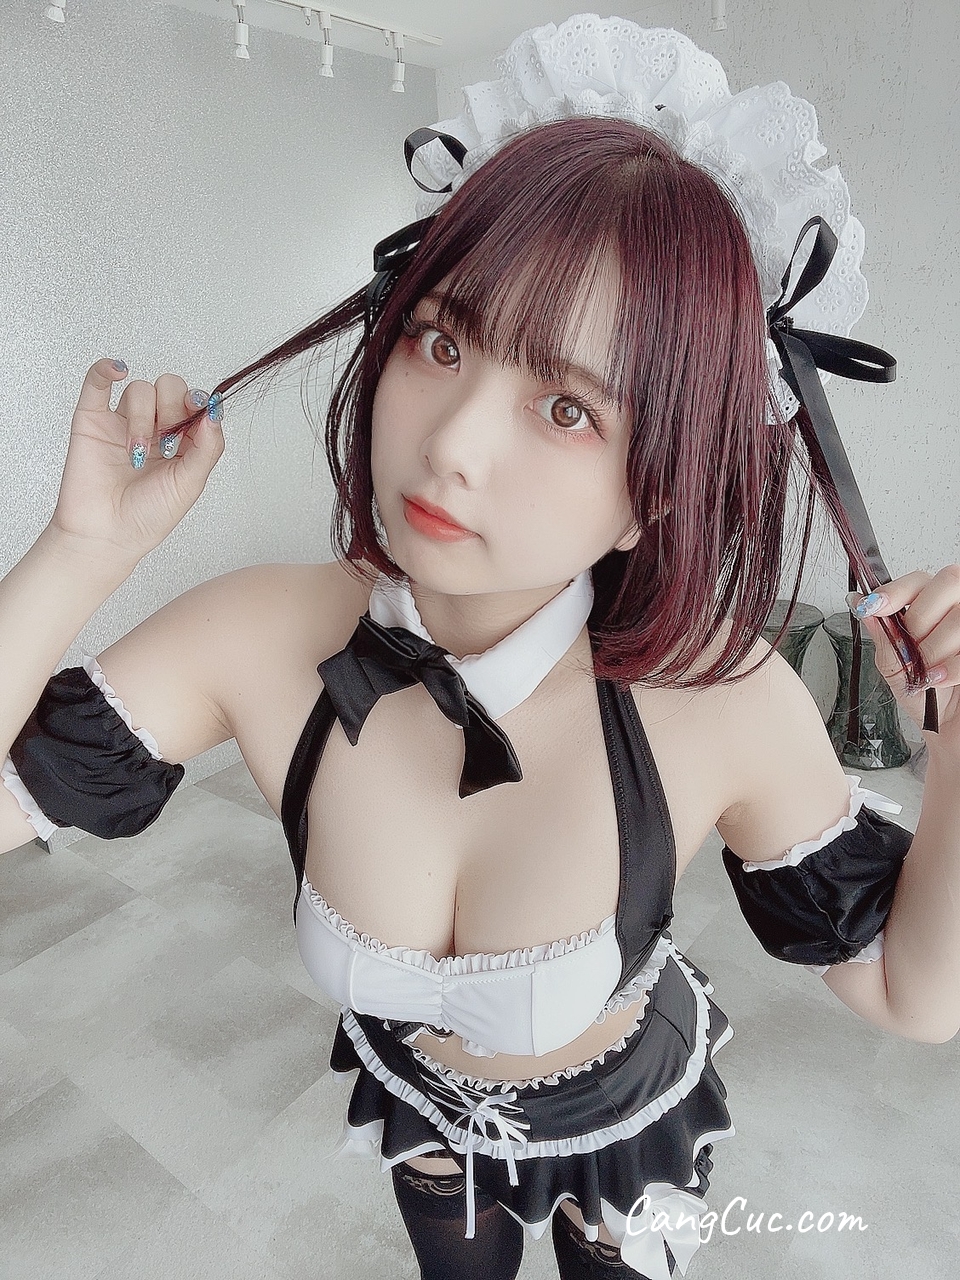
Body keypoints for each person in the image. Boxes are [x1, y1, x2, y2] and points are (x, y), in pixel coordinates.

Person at [3, 17, 959, 1280]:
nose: (450, 443)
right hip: (429, 1123)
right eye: (442, 341)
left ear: (658, 491)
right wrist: (82, 547)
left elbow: (912, 993)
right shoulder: (262, 634)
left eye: (565, 405)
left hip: (627, 1131)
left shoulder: (717, 696)